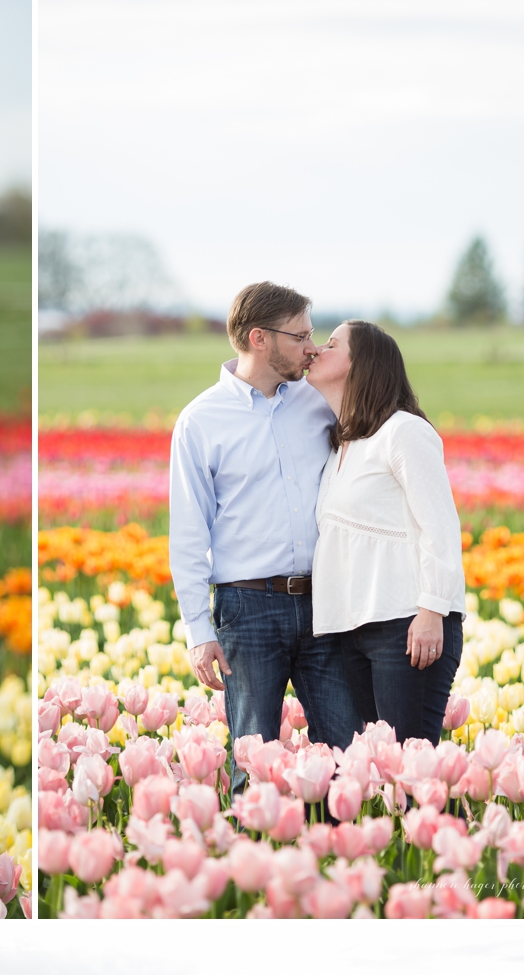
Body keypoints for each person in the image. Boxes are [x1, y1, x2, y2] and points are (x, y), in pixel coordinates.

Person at [170, 282, 358, 777]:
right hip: (247, 609)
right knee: (253, 767)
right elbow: (189, 534)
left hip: (325, 605)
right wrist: (197, 629)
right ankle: (251, 854)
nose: (311, 347)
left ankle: (338, 853)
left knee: (344, 759)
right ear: (259, 338)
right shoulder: (200, 421)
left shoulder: (318, 403)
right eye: (299, 336)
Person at [306, 321, 466, 741]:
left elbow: (441, 527)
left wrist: (433, 609)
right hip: (353, 628)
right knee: (381, 770)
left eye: (332, 344)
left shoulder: (403, 431)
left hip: (408, 624)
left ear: (361, 365)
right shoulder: (342, 445)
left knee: (409, 767)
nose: (316, 350)